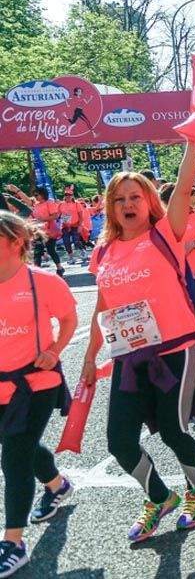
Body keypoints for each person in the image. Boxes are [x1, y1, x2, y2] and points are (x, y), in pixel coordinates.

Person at [82, 131, 195, 543]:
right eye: (119, 199)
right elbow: (102, 307)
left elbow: (183, 182)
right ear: (110, 207)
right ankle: (159, 497)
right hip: (129, 357)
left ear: (149, 203)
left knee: (175, 432)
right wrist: (90, 358)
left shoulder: (166, 234)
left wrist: (194, 143)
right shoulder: (103, 251)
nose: (127, 204)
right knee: (119, 442)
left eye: (135, 197)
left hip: (177, 350)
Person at [0, 211, 78, 577]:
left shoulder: (42, 282)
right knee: (20, 447)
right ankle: (58, 485)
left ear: (17, 242)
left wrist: (55, 350)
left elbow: (69, 319)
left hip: (35, 384)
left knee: (13, 458)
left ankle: (13, 542)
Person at [158, 184, 195, 320]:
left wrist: (193, 244)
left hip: (193, 275)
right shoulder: (159, 220)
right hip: (168, 277)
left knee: (194, 315)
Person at [5, 187, 63, 277]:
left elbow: (55, 216)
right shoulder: (35, 204)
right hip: (38, 231)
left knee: (51, 250)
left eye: (37, 195)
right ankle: (36, 272)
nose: (35, 197)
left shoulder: (49, 203)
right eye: (34, 195)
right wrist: (17, 190)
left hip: (49, 231)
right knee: (37, 251)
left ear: (43, 195)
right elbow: (26, 199)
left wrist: (43, 219)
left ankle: (59, 268)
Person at [57, 188, 85, 266]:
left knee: (76, 241)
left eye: (69, 195)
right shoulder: (61, 204)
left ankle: (82, 249)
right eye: (66, 195)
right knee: (66, 242)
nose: (68, 196)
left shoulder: (77, 204)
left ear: (72, 196)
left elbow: (81, 216)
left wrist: (80, 226)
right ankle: (71, 257)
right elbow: (58, 216)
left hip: (75, 225)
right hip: (65, 226)